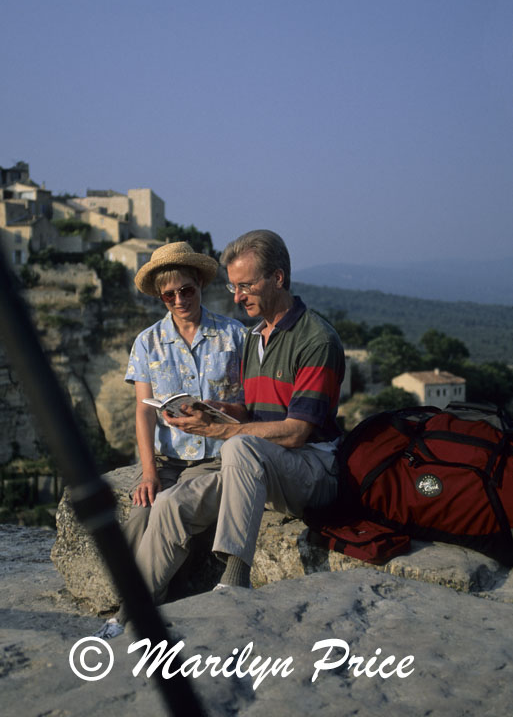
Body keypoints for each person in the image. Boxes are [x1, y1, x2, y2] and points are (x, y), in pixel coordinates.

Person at [96, 230, 344, 639]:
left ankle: (234, 579)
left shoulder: (305, 339)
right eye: (234, 286)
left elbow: (298, 431)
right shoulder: (257, 336)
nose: (237, 296)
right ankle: (132, 610)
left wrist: (218, 427)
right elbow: (247, 408)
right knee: (163, 506)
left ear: (277, 279)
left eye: (245, 286)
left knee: (237, 446)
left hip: (291, 462)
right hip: (241, 458)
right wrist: (211, 411)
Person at [94, 241, 246, 639]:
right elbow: (143, 411)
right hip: (169, 462)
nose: (179, 300)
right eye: (168, 294)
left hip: (218, 459)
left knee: (166, 507)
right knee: (141, 511)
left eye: (186, 290)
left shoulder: (234, 336)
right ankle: (149, 594)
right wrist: (148, 473)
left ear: (200, 284)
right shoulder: (147, 342)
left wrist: (218, 413)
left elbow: (254, 406)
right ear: (160, 297)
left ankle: (133, 611)